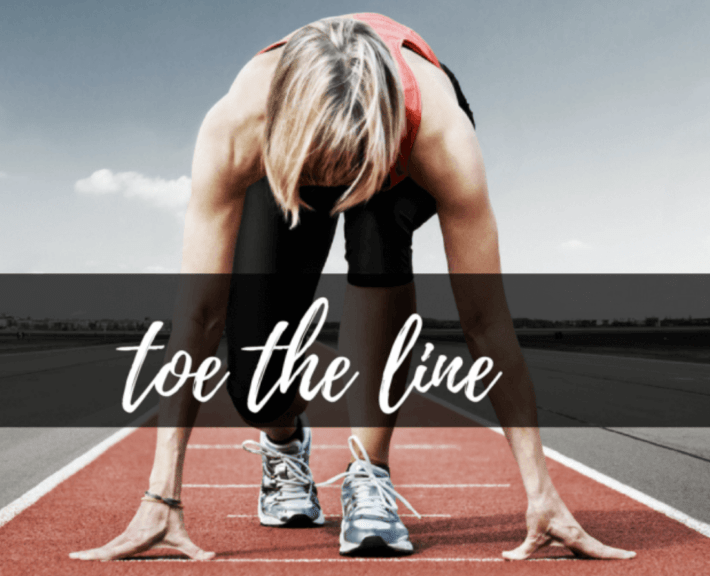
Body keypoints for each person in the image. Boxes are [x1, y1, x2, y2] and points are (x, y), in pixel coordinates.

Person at [70, 13, 635, 561]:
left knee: (378, 233)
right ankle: (285, 442)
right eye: (326, 173)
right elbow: (198, 316)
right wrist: (160, 496)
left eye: (351, 172)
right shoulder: (238, 126)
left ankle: (370, 474)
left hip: (395, 142)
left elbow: (485, 323)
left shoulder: (441, 136)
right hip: (295, 147)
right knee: (255, 387)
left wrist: (542, 495)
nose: (339, 190)